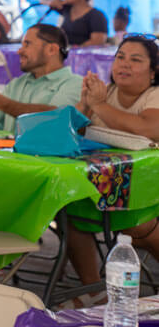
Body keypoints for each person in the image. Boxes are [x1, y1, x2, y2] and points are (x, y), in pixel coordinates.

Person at [65, 35, 159, 301]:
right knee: (68, 210)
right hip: (104, 182)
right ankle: (94, 291)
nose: (124, 64)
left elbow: (145, 128)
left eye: (135, 59)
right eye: (120, 57)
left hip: (149, 185)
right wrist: (85, 103)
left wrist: (99, 105)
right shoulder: (105, 93)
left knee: (139, 227)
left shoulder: (154, 95)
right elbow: (72, 132)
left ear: (153, 72)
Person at [44, 0, 108, 47]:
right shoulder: (66, 9)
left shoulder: (96, 15)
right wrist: (52, 0)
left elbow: (98, 41)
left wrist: (74, 51)